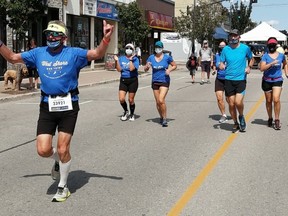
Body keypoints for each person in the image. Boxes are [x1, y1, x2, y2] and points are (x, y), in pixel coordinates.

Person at [0, 20, 114, 202]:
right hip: (47, 106)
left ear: (64, 38)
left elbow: (97, 53)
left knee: (63, 148)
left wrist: (106, 38)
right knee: (43, 150)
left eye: (55, 35)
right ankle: (58, 161)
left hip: (69, 105)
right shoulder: (38, 53)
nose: (51, 37)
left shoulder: (74, 53)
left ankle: (63, 186)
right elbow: (13, 57)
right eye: (48, 34)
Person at [219, 29, 254, 133]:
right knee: (231, 104)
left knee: (238, 102)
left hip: (241, 79)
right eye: (231, 36)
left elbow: (251, 59)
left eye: (235, 36)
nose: (233, 38)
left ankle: (241, 116)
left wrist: (249, 67)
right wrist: (221, 65)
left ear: (239, 37)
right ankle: (235, 122)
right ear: (229, 37)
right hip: (229, 79)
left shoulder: (245, 48)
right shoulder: (225, 49)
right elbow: (221, 62)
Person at [144, 41, 177, 127]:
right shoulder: (151, 57)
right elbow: (145, 69)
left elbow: (174, 65)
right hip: (155, 81)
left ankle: (165, 119)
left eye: (159, 47)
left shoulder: (167, 57)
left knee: (161, 100)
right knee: (158, 102)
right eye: (156, 47)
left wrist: (169, 70)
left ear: (162, 48)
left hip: (164, 81)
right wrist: (147, 67)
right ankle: (161, 117)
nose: (157, 48)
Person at [259, 37, 288, 130]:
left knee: (276, 99)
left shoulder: (281, 55)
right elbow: (262, 68)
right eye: (270, 45)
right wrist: (271, 63)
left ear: (276, 45)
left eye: (273, 45)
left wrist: (286, 72)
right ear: (268, 45)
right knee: (268, 101)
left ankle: (277, 119)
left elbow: (285, 63)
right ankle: (270, 117)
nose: (271, 46)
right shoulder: (265, 56)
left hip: (277, 79)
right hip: (267, 80)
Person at [114, 43, 140, 121]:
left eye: (130, 48)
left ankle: (132, 114)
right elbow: (119, 70)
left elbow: (132, 69)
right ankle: (126, 111)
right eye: (127, 48)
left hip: (133, 80)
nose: (128, 50)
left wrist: (131, 60)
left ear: (133, 51)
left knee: (130, 100)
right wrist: (116, 61)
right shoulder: (121, 58)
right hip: (123, 80)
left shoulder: (136, 59)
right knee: (121, 99)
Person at [213, 41, 228, 123]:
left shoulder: (229, 55)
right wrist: (214, 70)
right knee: (219, 98)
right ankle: (223, 115)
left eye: (223, 46)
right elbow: (215, 65)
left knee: (229, 100)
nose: (222, 47)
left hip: (228, 78)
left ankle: (233, 111)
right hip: (219, 78)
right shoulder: (217, 56)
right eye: (220, 46)